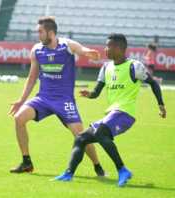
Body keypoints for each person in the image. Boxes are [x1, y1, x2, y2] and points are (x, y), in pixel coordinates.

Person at [54, 33, 166, 187]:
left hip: (125, 113)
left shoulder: (134, 66)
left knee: (100, 133)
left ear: (120, 48)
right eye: (106, 45)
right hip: (112, 114)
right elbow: (96, 92)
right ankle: (68, 174)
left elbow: (153, 83)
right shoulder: (106, 67)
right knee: (81, 138)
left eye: (109, 46)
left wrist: (161, 104)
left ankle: (122, 170)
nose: (106, 49)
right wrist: (90, 94)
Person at [9, 16, 105, 176]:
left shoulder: (67, 45)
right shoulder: (37, 50)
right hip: (43, 99)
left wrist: (89, 53)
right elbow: (32, 78)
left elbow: (81, 50)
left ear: (51, 32)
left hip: (64, 100)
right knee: (19, 118)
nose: (38, 34)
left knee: (81, 136)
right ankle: (26, 162)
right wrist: (21, 100)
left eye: (40, 31)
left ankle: (98, 167)